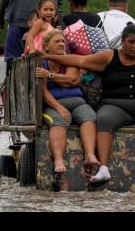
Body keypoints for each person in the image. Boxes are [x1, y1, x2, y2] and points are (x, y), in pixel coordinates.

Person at [40, 23, 135, 186]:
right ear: (123, 42)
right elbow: (79, 60)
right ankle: (103, 168)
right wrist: (47, 57)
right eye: (131, 42)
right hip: (115, 105)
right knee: (104, 119)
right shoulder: (109, 56)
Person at [36, 29, 100, 174]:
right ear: (46, 46)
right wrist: (59, 107)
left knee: (89, 116)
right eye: (57, 41)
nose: (61, 44)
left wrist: (50, 75)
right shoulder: (42, 62)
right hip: (53, 104)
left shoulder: (70, 59)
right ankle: (59, 160)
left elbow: (71, 80)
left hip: (77, 101)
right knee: (59, 120)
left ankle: (90, 155)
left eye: (63, 41)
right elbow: (43, 91)